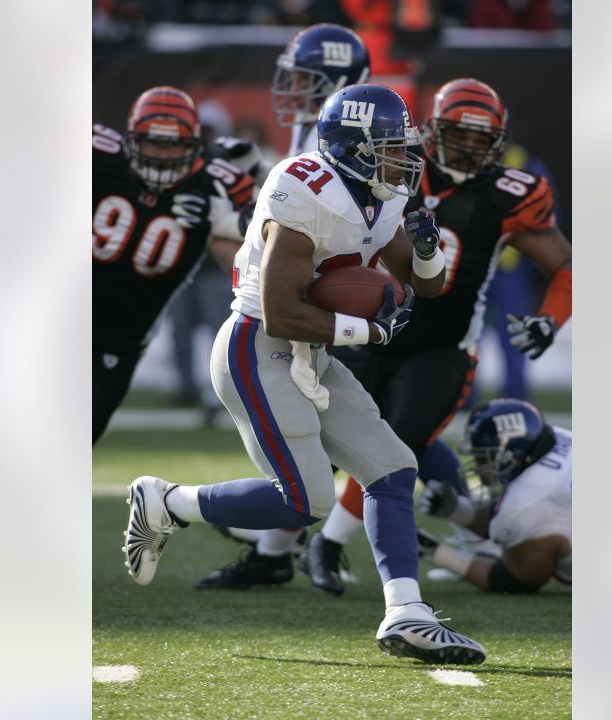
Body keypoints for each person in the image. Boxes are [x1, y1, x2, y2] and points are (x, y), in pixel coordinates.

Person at [123, 83, 487, 665]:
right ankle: (168, 502)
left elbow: (426, 285)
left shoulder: (380, 192)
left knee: (394, 467)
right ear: (352, 146)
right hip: (256, 345)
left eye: (403, 147)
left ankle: (407, 613)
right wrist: (368, 331)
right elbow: (281, 308)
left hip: (311, 351)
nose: (404, 160)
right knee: (304, 501)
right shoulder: (302, 190)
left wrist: (426, 252)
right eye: (390, 147)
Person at [298, 78, 573, 595]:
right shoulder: (388, 158)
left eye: (480, 137)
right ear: (431, 129)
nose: (469, 146)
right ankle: (274, 542)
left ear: (498, 139)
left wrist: (551, 319)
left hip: (441, 345)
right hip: (368, 328)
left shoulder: (509, 194)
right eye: (458, 134)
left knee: (396, 440)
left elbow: (566, 267)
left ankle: (328, 544)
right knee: (324, 435)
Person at [193, 22, 375, 586]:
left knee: (361, 436)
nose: (292, 86)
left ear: (338, 79)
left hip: (334, 304)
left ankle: (266, 536)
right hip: (294, 305)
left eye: (305, 78)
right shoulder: (311, 134)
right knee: (324, 438)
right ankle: (275, 549)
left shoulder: (354, 140)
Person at [92, 86, 254, 444]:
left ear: (193, 146)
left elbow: (262, 243)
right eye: (153, 142)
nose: (163, 155)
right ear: (132, 138)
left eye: (173, 145)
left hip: (119, 345)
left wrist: (224, 221)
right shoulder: (98, 157)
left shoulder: (215, 186)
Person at [417, 399, 572, 592]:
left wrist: (435, 552)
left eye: (482, 458)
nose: (477, 465)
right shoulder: (559, 436)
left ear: (510, 454)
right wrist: (458, 510)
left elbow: (515, 580)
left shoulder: (526, 504)